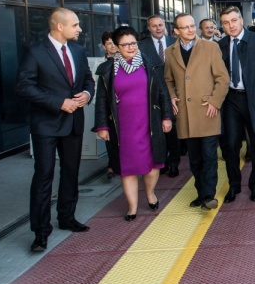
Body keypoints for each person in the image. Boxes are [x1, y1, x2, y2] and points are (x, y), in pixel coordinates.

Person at [16, 7, 95, 253]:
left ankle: (67, 217)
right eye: (75, 25)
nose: (80, 29)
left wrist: (87, 94)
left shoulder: (79, 51)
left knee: (71, 171)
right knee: (44, 176)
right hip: (46, 124)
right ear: (59, 26)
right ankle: (40, 232)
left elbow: (88, 81)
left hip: (73, 123)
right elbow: (23, 86)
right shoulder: (35, 52)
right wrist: (59, 103)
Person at [93, 27, 173, 221]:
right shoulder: (108, 70)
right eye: (125, 44)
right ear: (116, 47)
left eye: (133, 43)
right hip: (123, 127)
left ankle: (151, 193)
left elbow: (163, 92)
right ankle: (132, 207)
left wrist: (167, 117)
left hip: (150, 122)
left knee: (153, 164)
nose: (130, 47)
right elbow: (102, 101)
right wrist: (102, 126)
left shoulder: (151, 64)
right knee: (127, 167)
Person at [165, 13, 229, 209]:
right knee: (194, 159)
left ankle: (209, 196)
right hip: (185, 114)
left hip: (207, 110)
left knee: (209, 156)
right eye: (185, 27)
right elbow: (168, 80)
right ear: (176, 31)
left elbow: (222, 78)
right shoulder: (170, 52)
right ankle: (201, 194)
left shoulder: (210, 47)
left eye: (192, 25)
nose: (191, 30)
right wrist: (172, 96)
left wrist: (215, 102)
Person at [218, 5, 255, 203]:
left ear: (241, 20)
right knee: (231, 145)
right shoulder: (220, 45)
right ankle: (234, 186)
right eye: (226, 23)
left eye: (234, 21)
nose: (231, 26)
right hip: (231, 100)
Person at [138, 15, 181, 177]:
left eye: (160, 25)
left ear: (165, 26)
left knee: (174, 129)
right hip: (152, 93)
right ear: (148, 28)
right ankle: (161, 161)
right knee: (158, 129)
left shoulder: (174, 41)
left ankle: (174, 162)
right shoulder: (141, 46)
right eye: (154, 26)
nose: (158, 28)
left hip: (174, 91)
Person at [97, 31, 120, 180]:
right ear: (104, 46)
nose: (112, 46)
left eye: (114, 43)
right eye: (109, 43)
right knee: (110, 139)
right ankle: (112, 165)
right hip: (109, 107)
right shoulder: (102, 66)